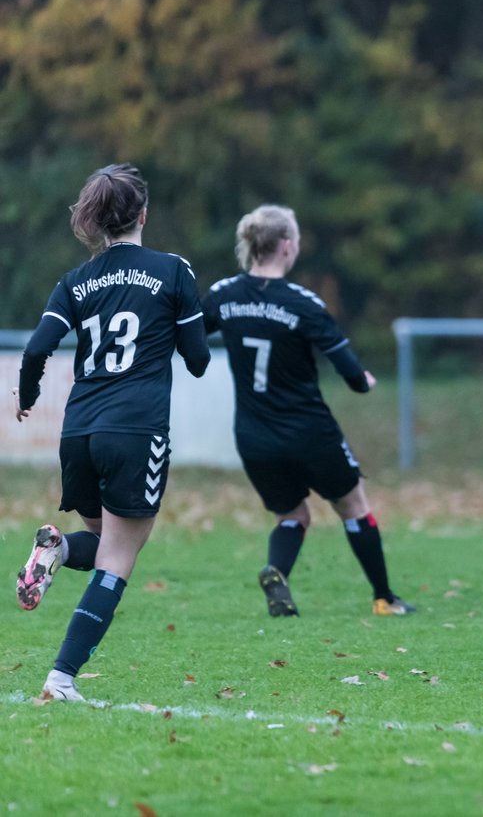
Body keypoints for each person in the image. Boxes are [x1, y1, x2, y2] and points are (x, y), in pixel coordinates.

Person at [12, 163, 211, 701]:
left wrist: (26, 398)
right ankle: (61, 678)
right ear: (144, 214)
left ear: (98, 221)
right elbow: (197, 361)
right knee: (120, 556)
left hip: (78, 430)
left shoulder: (75, 281)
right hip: (135, 430)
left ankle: (53, 548)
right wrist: (185, 324)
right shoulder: (172, 271)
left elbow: (35, 351)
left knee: (104, 542)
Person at [202, 204, 414, 618]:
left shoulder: (223, 295)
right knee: (353, 506)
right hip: (310, 432)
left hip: (253, 435)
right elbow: (351, 374)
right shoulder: (303, 304)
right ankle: (385, 598)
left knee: (292, 514)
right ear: (286, 246)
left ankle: (277, 570)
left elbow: (187, 335)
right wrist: (364, 382)